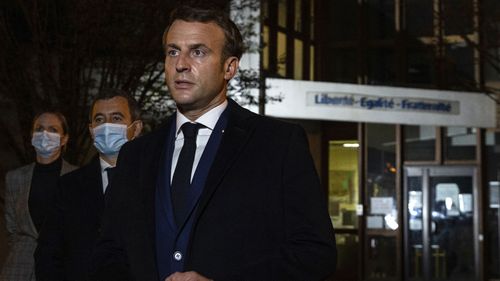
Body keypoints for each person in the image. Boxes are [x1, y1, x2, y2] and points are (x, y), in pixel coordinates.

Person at [91, 5, 337, 281]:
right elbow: (109, 252)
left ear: (229, 67)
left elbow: (315, 252)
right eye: (173, 51)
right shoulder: (136, 154)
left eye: (198, 52)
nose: (181, 64)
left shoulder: (277, 144)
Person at [34, 89, 143, 281]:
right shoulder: (68, 186)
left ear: (136, 128)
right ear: (92, 130)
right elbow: (47, 254)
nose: (107, 126)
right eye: (99, 120)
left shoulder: (155, 182)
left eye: (116, 118)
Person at [1, 110, 78, 281]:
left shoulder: (78, 177)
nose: (45, 134)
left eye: (53, 129)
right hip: (18, 268)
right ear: (31, 135)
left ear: (64, 138)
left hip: (61, 267)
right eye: (39, 128)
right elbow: (12, 228)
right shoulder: (14, 178)